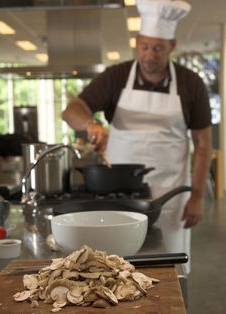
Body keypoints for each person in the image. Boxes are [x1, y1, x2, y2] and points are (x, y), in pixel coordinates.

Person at [62, 0, 212, 272]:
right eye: (144, 46)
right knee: (118, 267)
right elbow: (71, 110)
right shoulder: (116, 77)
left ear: (172, 46)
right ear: (136, 42)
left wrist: (198, 196)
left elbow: (203, 144)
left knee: (170, 265)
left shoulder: (191, 83)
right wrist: (90, 124)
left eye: (157, 48)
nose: (149, 55)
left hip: (170, 194)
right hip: (121, 194)